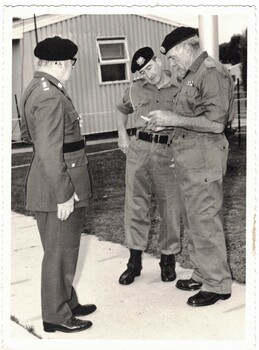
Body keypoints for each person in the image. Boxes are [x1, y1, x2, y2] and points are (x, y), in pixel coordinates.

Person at [148, 27, 234, 307]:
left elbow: (216, 123)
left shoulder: (211, 72)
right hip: (190, 160)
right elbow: (188, 117)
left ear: (187, 48)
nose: (171, 65)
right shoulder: (191, 75)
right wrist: (168, 122)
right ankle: (202, 273)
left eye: (172, 58)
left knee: (206, 223)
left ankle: (217, 284)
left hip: (204, 161)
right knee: (196, 222)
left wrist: (172, 118)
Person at [20, 36, 96, 332]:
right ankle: (56, 316)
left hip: (49, 178)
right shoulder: (50, 95)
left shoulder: (37, 88)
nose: (72, 69)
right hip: (59, 184)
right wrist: (64, 194)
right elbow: (51, 150)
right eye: (71, 64)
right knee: (60, 252)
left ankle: (67, 300)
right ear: (57, 64)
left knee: (61, 248)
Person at [116, 47, 181, 285]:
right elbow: (122, 110)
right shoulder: (134, 88)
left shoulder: (179, 87)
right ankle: (134, 262)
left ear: (158, 60)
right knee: (135, 206)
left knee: (170, 208)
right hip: (139, 150)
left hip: (167, 152)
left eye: (150, 67)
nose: (148, 75)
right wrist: (122, 133)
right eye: (142, 72)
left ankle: (168, 260)